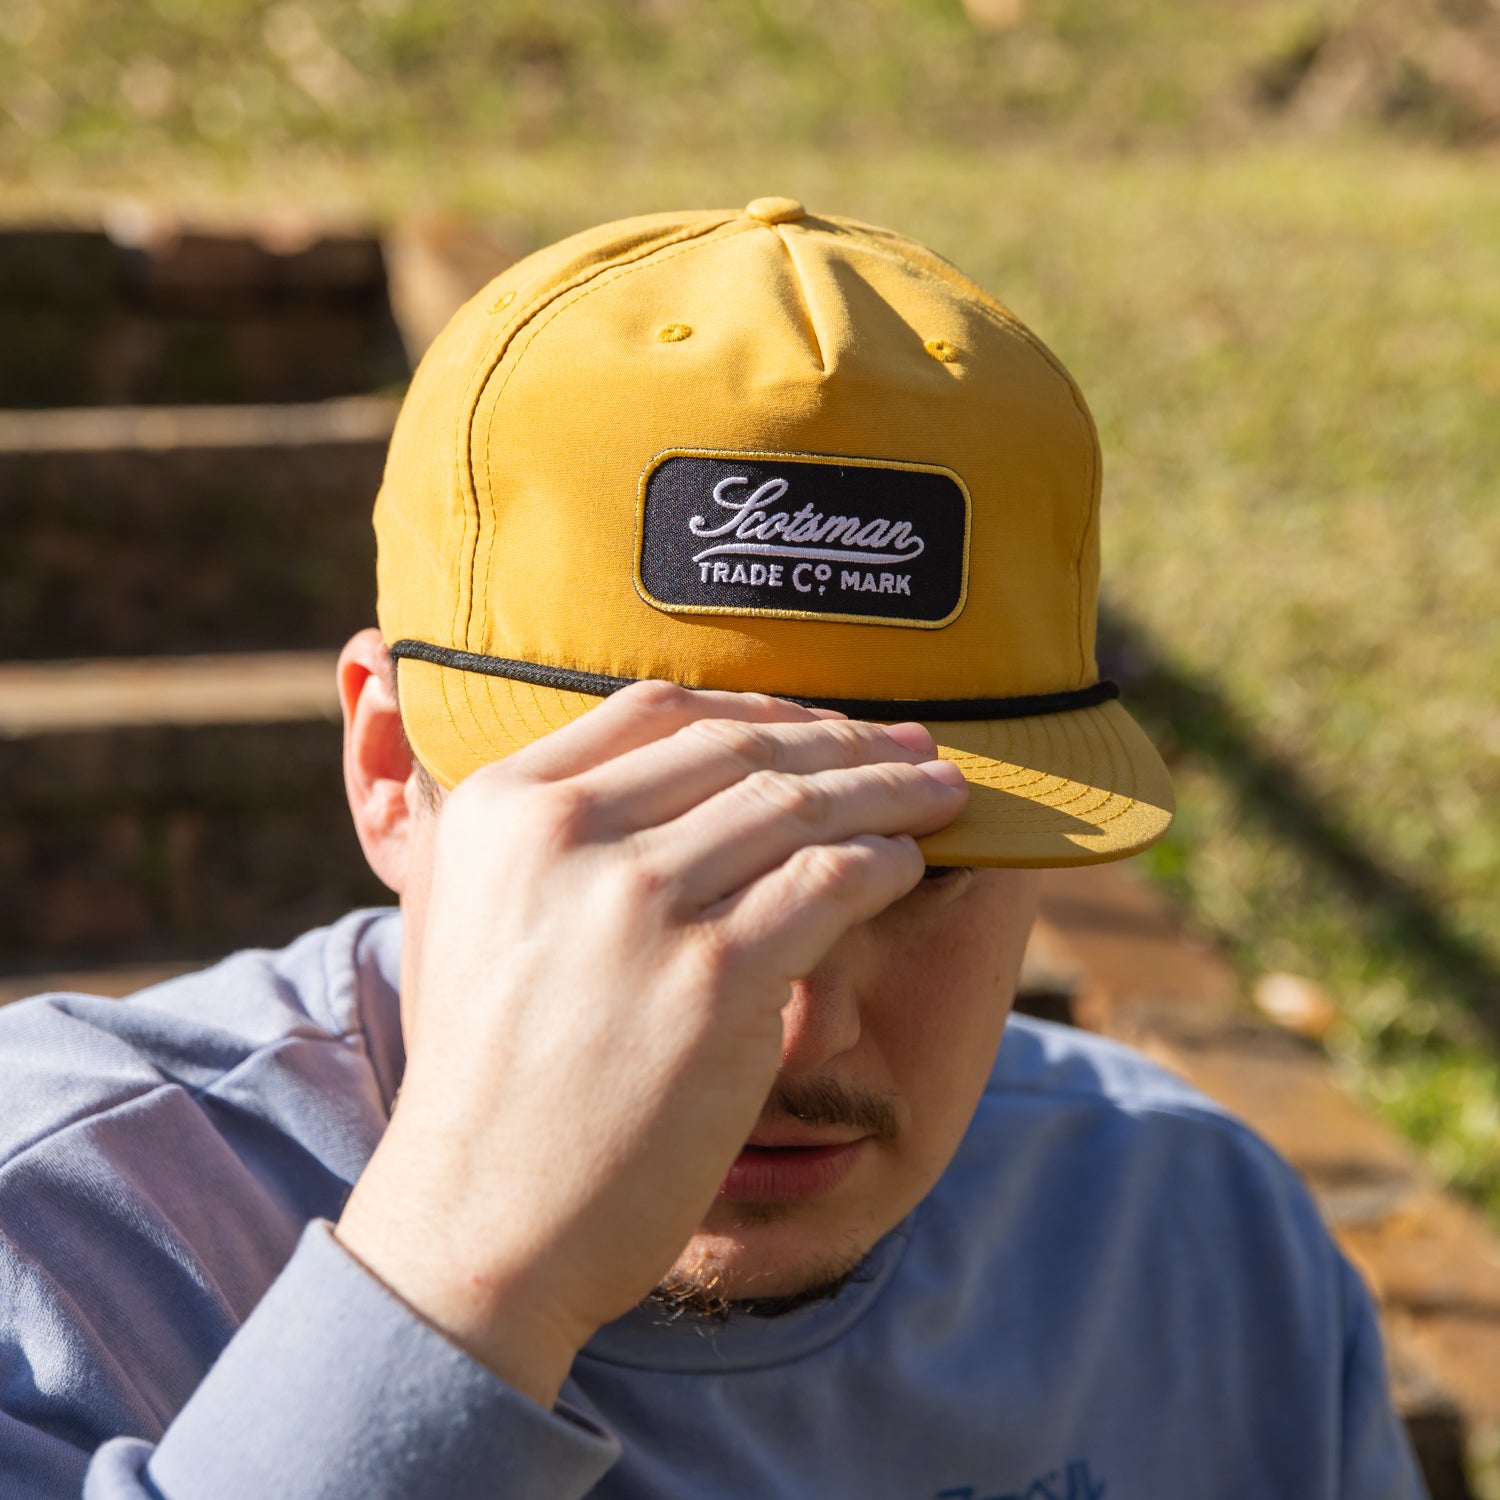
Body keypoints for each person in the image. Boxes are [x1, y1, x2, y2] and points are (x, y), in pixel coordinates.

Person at [0, 198, 1422, 1499]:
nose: (795, 1020)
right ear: (388, 772)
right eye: (659, 856)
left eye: (917, 868)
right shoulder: (61, 1243)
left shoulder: (1188, 1234)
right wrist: (467, 1272)